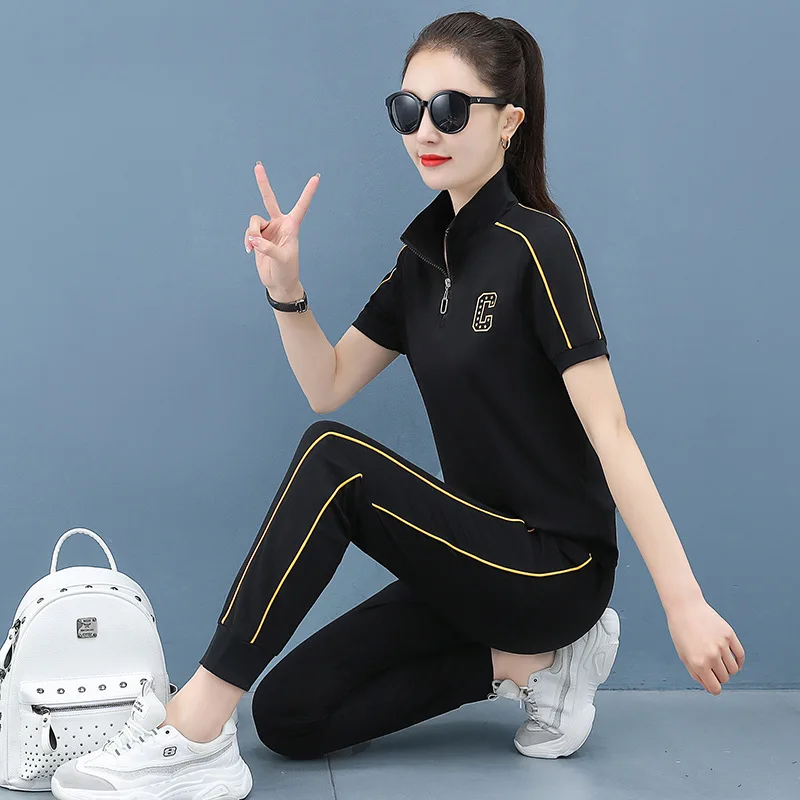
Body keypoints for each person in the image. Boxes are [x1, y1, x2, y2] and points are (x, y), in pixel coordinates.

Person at [50, 11, 745, 800]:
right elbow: (328, 381)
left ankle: (194, 726)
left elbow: (611, 431)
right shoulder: (421, 263)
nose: (426, 131)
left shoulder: (537, 246)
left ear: (508, 121)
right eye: (408, 110)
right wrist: (286, 290)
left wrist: (684, 603)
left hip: (554, 569)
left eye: (450, 108)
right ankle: (529, 665)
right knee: (288, 716)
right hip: (469, 560)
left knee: (333, 459)